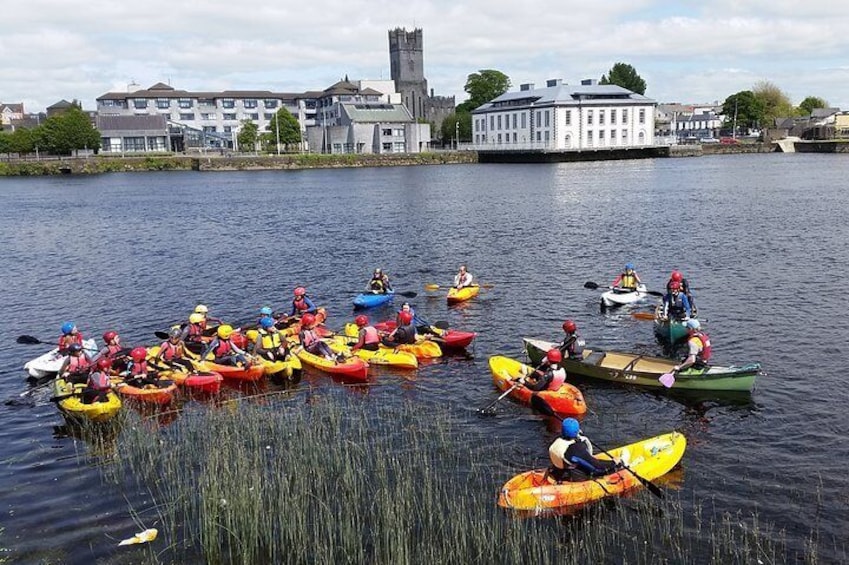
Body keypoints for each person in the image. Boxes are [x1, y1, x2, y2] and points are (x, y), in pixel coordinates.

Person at [548, 418, 621, 482]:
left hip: (558, 472)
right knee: (602, 470)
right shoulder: (576, 449)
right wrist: (614, 463)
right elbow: (597, 466)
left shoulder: (558, 440)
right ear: (576, 431)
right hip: (575, 477)